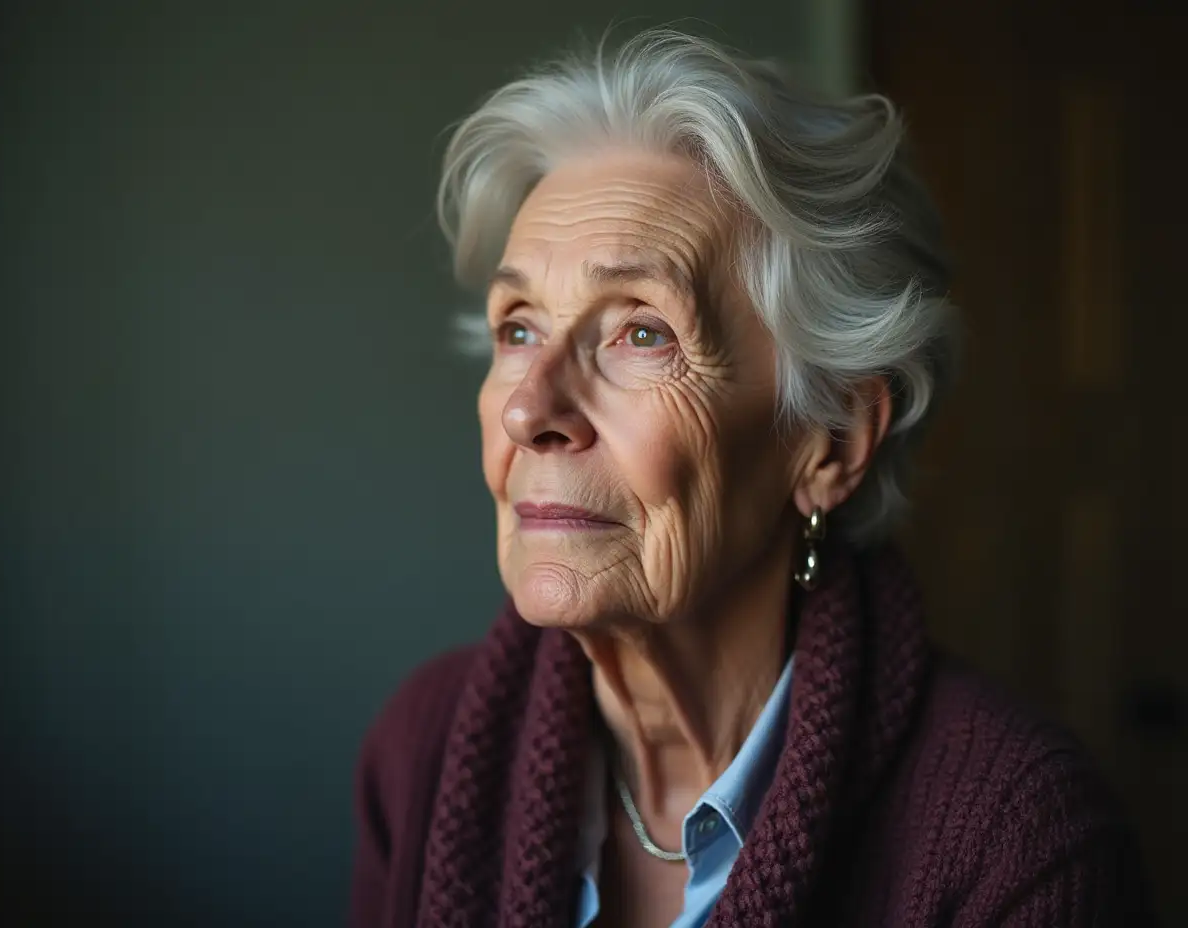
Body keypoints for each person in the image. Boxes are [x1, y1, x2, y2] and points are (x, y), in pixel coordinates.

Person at [351, 28, 1148, 928]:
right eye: (520, 327)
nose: (527, 411)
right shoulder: (423, 746)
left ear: (833, 442)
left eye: (641, 331)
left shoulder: (1019, 840)